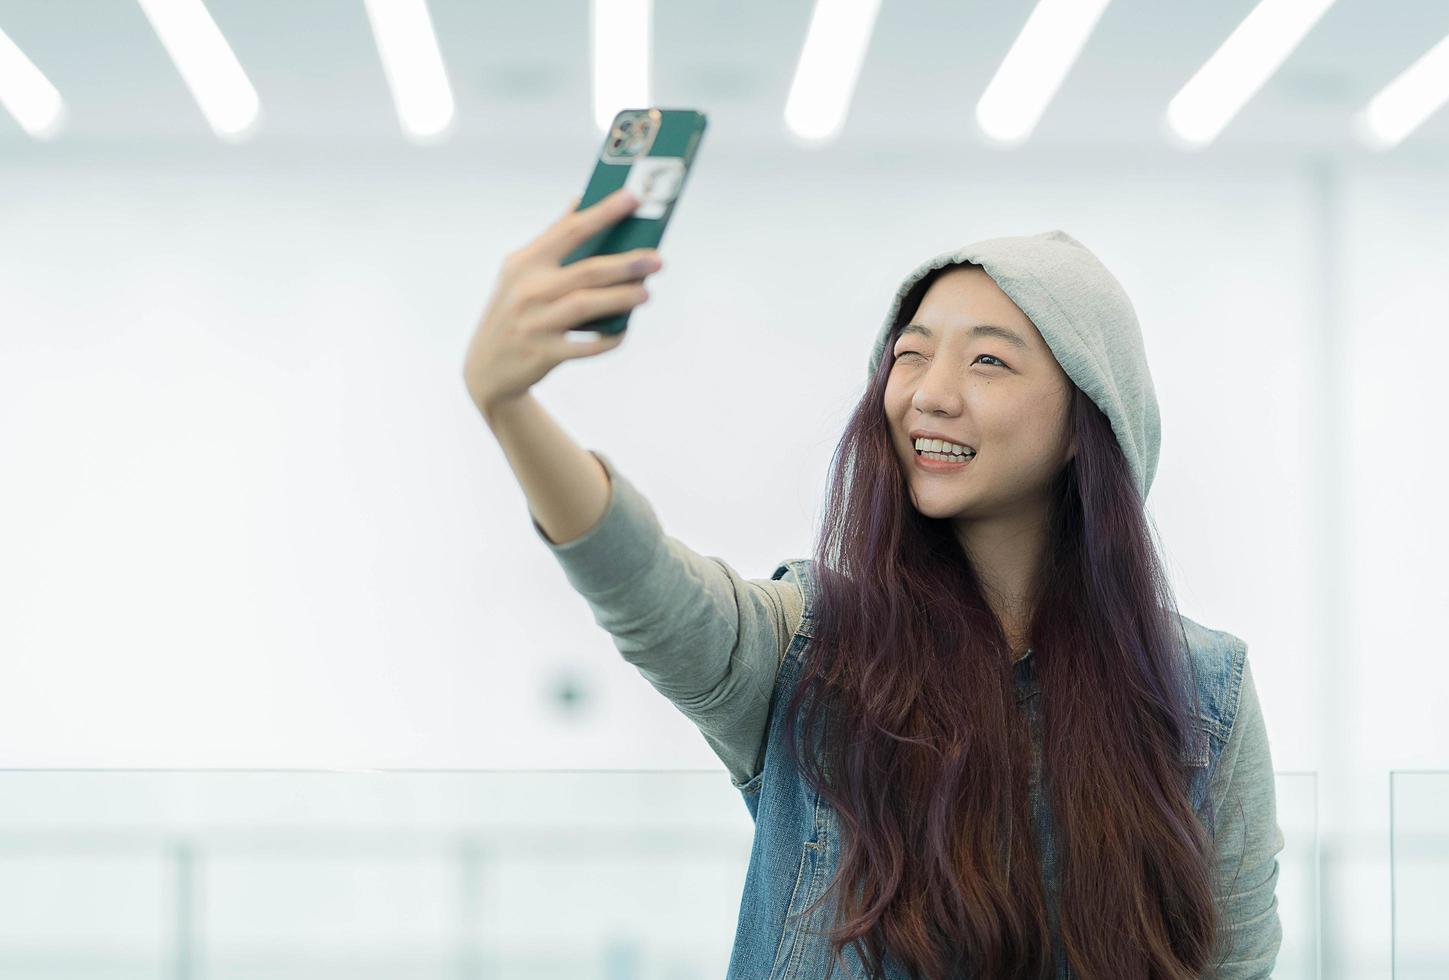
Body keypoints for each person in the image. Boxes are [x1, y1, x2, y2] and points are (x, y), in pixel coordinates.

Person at [462, 189, 1284, 979]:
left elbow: (1232, 965)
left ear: (1085, 421)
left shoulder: (1200, 692)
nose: (929, 394)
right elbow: (648, 591)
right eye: (911, 355)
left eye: (989, 361)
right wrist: (510, 407)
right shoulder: (812, 650)